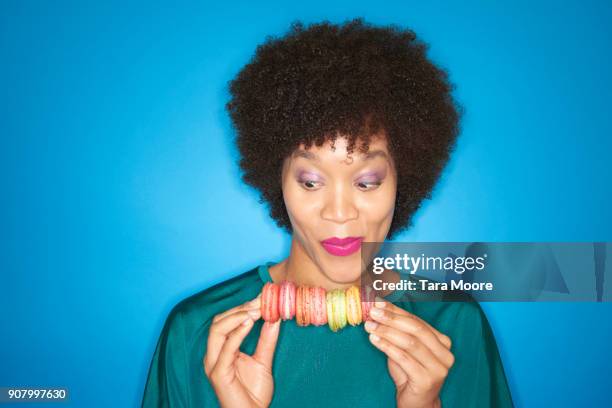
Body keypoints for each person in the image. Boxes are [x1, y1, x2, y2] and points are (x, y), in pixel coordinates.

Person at [141, 17, 514, 407]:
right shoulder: (196, 330)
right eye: (310, 181)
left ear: (403, 178)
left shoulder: (454, 321)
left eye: (366, 181)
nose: (340, 213)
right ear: (276, 179)